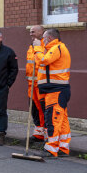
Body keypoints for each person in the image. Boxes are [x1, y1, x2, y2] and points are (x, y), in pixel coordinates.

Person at [33, 28, 71, 157]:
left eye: (44, 38)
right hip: (56, 90)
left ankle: (51, 148)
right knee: (61, 120)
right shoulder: (54, 48)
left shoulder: (56, 48)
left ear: (49, 38)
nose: (42, 40)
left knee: (53, 120)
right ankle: (63, 147)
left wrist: (37, 49)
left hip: (56, 91)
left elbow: (44, 61)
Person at [26, 25, 46, 141]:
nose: (31, 34)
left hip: (41, 83)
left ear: (41, 32)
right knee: (34, 109)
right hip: (31, 84)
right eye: (30, 32)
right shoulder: (32, 45)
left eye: (33, 31)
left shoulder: (45, 45)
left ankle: (47, 135)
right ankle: (38, 133)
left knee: (43, 109)